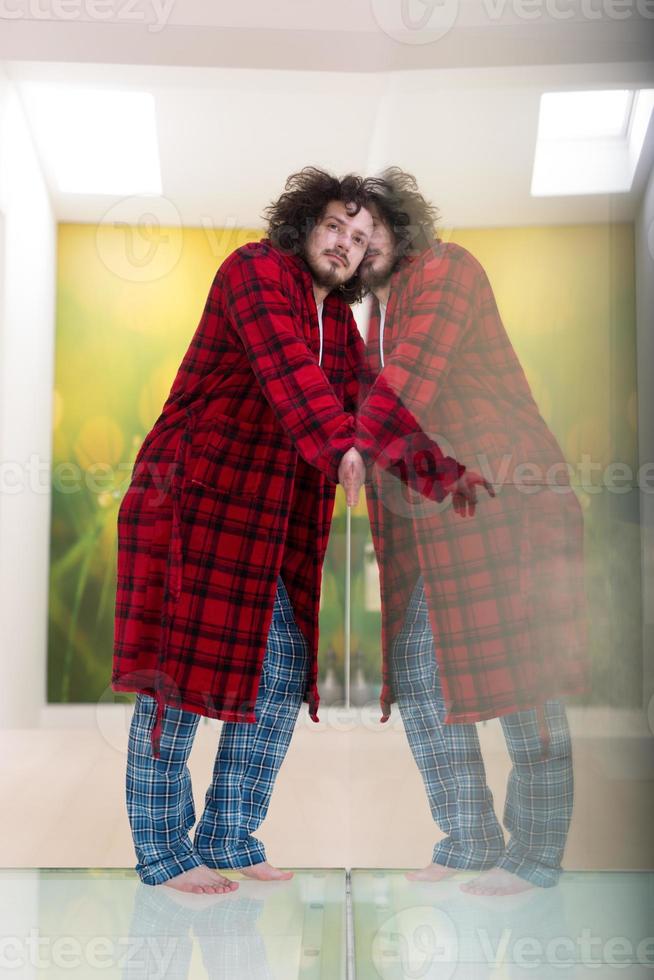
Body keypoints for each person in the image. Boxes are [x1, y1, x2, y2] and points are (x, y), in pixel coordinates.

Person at [112, 168, 378, 895]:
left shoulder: (341, 328)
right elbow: (288, 373)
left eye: (360, 239)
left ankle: (230, 833)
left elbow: (370, 408)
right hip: (192, 504)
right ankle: (164, 852)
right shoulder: (256, 271)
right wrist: (342, 447)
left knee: (280, 674)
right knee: (180, 683)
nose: (345, 245)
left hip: (273, 525)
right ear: (303, 223)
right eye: (335, 226)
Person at [353, 168, 591, 894]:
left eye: (372, 232)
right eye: (348, 242)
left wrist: (350, 446)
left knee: (524, 677)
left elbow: (406, 389)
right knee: (423, 676)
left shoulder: (448, 269)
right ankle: (469, 838)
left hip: (504, 497)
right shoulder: (372, 321)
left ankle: (536, 854)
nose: (362, 249)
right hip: (431, 517)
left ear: (400, 223)